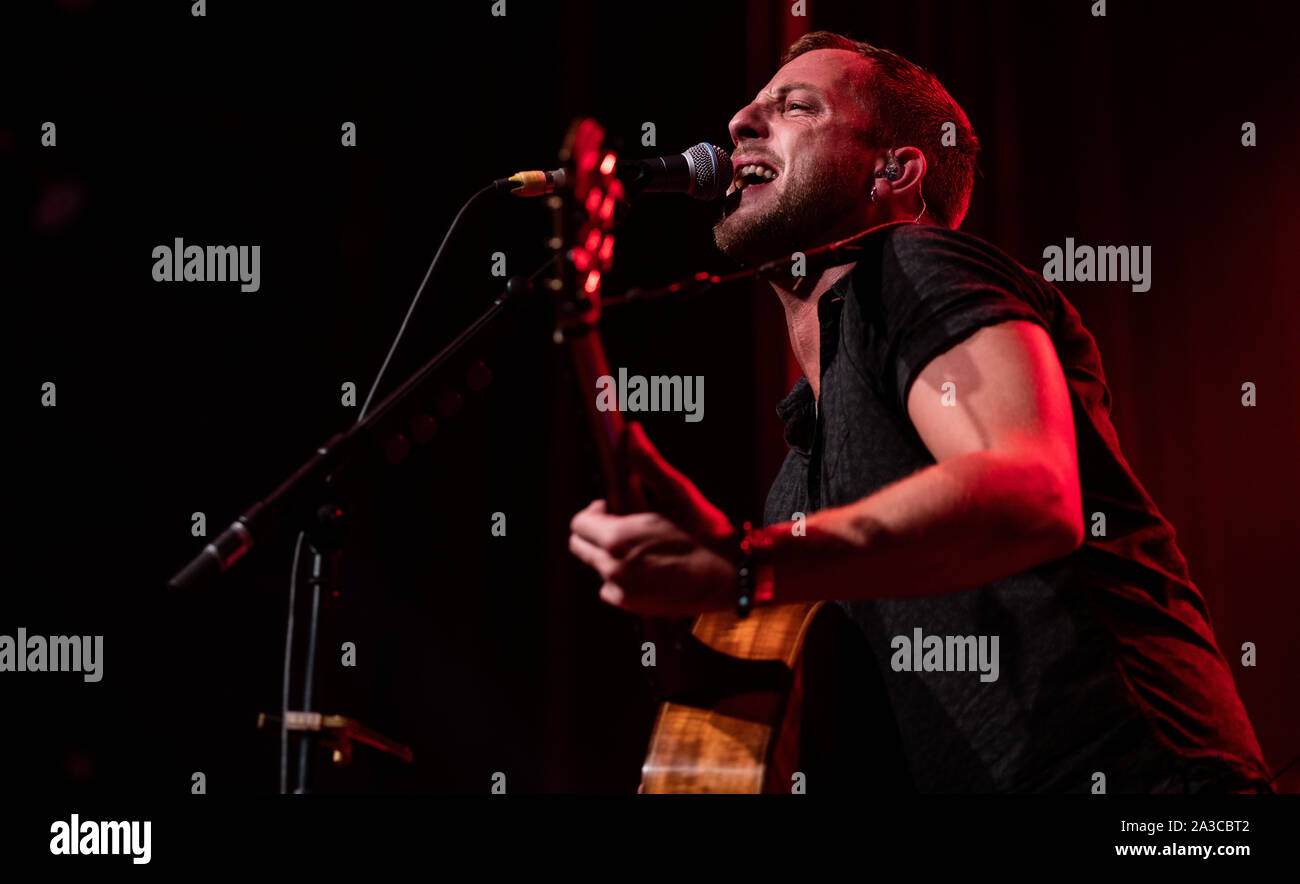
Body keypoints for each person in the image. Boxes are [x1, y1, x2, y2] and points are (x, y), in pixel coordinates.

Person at [568, 31, 1271, 793]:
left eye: (796, 106)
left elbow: (1034, 495)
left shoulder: (913, 261)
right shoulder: (797, 477)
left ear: (895, 171)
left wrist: (747, 567)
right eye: (752, 105)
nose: (739, 121)